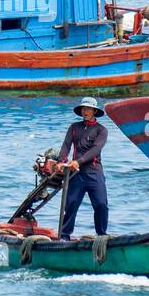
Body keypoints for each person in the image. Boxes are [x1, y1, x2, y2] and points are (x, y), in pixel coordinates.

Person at [57, 97, 109, 240]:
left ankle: (102, 235)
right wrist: (61, 161)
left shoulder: (101, 130)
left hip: (94, 172)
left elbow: (95, 149)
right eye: (83, 109)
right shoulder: (74, 127)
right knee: (71, 204)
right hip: (76, 174)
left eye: (88, 109)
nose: (85, 111)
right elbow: (66, 146)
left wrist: (78, 161)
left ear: (94, 111)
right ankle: (64, 235)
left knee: (101, 204)